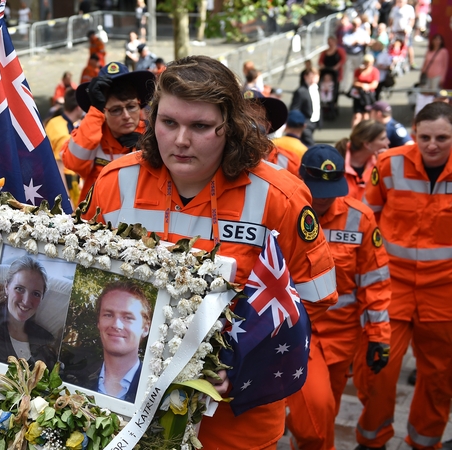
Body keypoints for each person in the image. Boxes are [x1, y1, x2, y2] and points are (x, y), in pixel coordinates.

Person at [83, 55, 337, 449]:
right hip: (128, 413)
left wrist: (243, 365)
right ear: (152, 121)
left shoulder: (280, 196)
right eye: (169, 123)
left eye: (200, 126)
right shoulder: (115, 182)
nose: (181, 140)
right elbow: (90, 274)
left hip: (235, 421)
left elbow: (313, 299)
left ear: (231, 126)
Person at [356, 101, 452, 450]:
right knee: (378, 370)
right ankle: (372, 440)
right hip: (392, 286)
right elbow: (369, 220)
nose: (432, 145)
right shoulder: (389, 163)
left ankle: (426, 442)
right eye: (424, 136)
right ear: (413, 133)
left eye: (442, 137)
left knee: (440, 377)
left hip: (444, 293)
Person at [286, 144, 391, 450]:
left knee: (325, 412)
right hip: (295, 332)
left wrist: (379, 336)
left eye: (329, 190)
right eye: (315, 188)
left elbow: (376, 283)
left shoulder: (360, 219)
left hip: (342, 338)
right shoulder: (282, 211)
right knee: (315, 415)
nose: (321, 197)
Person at [62, 61, 154, 203]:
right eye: (116, 110)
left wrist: (148, 150)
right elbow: (73, 163)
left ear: (139, 103)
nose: (126, 116)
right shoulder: (91, 132)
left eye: (131, 106)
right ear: (103, 112)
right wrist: (95, 111)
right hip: (96, 221)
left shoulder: (153, 135)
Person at [0, 256, 57, 367]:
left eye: (36, 294)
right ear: (7, 287)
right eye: (19, 289)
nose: (26, 301)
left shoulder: (46, 341)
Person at [93, 282, 151, 401]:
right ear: (98, 323)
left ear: (145, 329)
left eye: (128, 318)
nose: (116, 325)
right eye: (108, 315)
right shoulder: (74, 377)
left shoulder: (154, 387)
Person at [45, 88, 82, 208]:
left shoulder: (55, 120)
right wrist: (66, 198)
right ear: (78, 108)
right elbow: (59, 166)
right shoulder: (64, 135)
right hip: (68, 182)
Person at [336, 120, 388, 200]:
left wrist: (383, 166)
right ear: (367, 144)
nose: (387, 142)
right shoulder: (335, 164)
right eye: (382, 139)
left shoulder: (378, 164)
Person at [290, 67, 321, 146]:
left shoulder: (317, 88)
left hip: (314, 122)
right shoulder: (300, 91)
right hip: (305, 123)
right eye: (311, 77)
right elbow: (295, 109)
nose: (313, 79)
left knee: (304, 143)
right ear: (305, 77)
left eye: (315, 76)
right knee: (310, 144)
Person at [341, 17, 369, 94]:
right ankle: (345, 88)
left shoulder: (363, 32)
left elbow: (367, 40)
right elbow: (346, 42)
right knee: (347, 71)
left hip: (358, 55)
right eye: (354, 24)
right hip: (349, 55)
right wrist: (355, 42)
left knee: (358, 72)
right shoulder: (348, 32)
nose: (356, 26)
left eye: (358, 25)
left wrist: (360, 42)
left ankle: (356, 87)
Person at [350, 54, 379, 128]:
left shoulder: (375, 71)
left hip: (368, 96)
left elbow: (375, 84)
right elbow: (354, 82)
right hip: (359, 94)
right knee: (357, 115)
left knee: (366, 116)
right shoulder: (358, 70)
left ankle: (364, 133)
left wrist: (367, 86)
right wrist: (362, 85)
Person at [388, 0, 416, 69]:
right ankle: (394, 62)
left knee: (408, 46)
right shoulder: (395, 9)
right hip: (396, 32)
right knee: (394, 47)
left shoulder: (409, 8)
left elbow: (412, 19)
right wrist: (391, 30)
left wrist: (409, 27)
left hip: (405, 32)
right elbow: (391, 20)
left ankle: (411, 62)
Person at [318, 36, 346, 105]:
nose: (330, 44)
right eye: (328, 42)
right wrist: (322, 66)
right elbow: (320, 61)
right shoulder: (325, 52)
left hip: (335, 73)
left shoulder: (339, 51)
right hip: (326, 72)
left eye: (331, 42)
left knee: (335, 89)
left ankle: (334, 103)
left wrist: (336, 67)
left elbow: (343, 60)